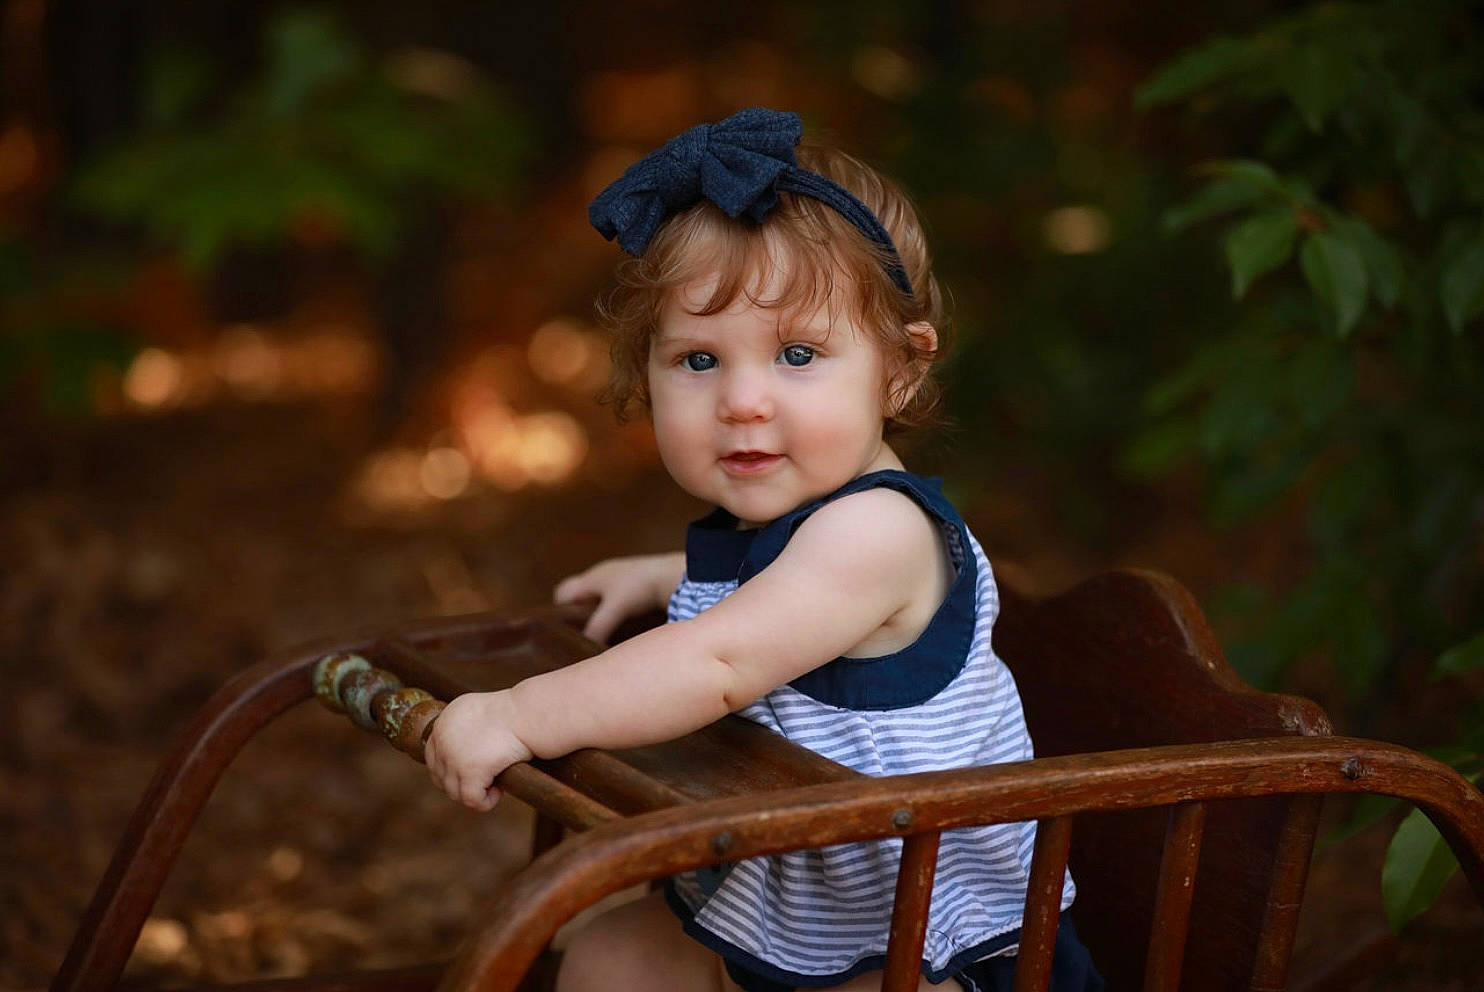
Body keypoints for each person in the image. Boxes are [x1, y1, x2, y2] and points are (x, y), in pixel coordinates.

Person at [424, 107, 1103, 992]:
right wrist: (666, 574)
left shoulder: (878, 530)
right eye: (699, 361)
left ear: (901, 369)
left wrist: (516, 714)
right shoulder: (799, 529)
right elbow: (778, 603)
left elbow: (721, 658)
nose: (743, 400)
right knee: (608, 956)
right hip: (803, 905)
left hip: (923, 950)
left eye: (796, 353)